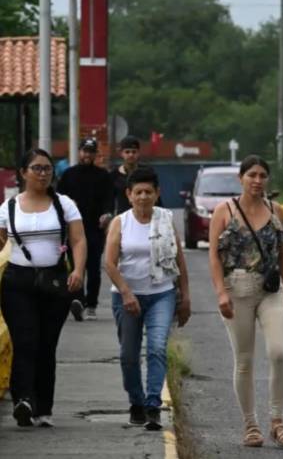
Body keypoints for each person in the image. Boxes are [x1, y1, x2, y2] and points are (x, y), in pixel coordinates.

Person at [208, 156, 283, 448]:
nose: (257, 181)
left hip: (271, 290)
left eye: (262, 176)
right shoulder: (224, 210)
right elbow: (214, 256)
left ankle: (277, 421)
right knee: (244, 360)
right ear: (241, 178)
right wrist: (221, 293)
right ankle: (250, 424)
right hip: (237, 289)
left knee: (279, 353)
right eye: (252, 175)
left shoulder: (275, 210)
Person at [0, 148, 86, 427]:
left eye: (47, 168)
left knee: (46, 345)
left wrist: (78, 270)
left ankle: (43, 408)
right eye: (36, 168)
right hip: (17, 282)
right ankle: (23, 400)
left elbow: (78, 239)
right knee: (24, 341)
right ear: (23, 173)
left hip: (54, 282)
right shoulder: (8, 208)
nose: (43, 173)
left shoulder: (64, 204)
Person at [104, 167, 191, 430]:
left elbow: (179, 259)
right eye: (138, 192)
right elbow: (109, 263)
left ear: (157, 193)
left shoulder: (165, 219)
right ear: (129, 195)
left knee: (156, 348)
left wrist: (185, 296)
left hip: (161, 294)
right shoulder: (120, 222)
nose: (143, 197)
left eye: (148, 192)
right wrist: (126, 293)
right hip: (126, 298)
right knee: (129, 355)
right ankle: (136, 401)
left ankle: (153, 405)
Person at [56, 137, 114, 321]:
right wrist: (67, 204)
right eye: (84, 151)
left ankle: (91, 304)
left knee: (94, 268)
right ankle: (77, 300)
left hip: (94, 229)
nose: (87, 154)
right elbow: (58, 198)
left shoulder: (103, 176)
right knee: (74, 266)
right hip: (73, 230)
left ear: (95, 154)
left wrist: (106, 214)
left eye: (91, 151)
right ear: (79, 152)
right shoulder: (69, 174)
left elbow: (109, 200)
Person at [110, 135, 162, 214]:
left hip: (146, 215)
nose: (131, 155)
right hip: (123, 217)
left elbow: (156, 196)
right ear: (121, 153)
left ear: (138, 153)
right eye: (127, 152)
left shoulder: (147, 172)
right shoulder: (114, 175)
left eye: (134, 152)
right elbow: (110, 200)